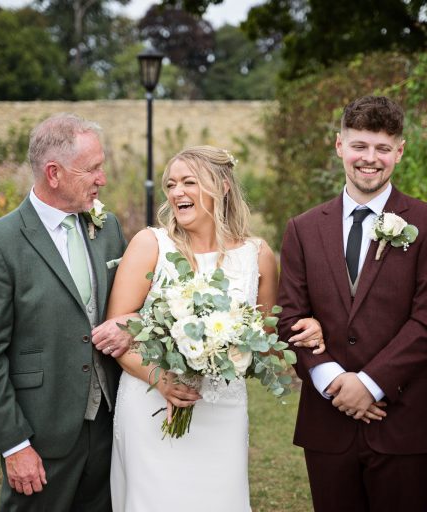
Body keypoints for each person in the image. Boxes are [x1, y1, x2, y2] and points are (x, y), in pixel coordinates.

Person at [90, 145, 323, 511]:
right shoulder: (150, 245)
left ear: (222, 186)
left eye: (189, 182)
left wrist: (308, 328)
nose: (177, 192)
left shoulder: (257, 254)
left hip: (222, 408)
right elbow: (115, 335)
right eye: (171, 184)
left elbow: (267, 339)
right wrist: (162, 380)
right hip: (151, 403)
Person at [277, 95, 427, 511]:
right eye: (359, 146)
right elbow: (289, 317)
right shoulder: (303, 229)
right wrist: (333, 382)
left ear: (400, 151)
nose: (370, 159)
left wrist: (370, 384)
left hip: (404, 423)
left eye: (382, 148)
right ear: (340, 146)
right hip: (328, 424)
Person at [0, 113, 126, 511]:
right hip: (40, 432)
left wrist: (131, 322)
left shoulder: (108, 228)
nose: (102, 179)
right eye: (92, 169)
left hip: (110, 425)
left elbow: (131, 306)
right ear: (53, 173)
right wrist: (15, 444)